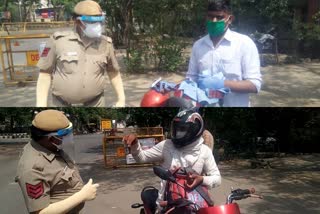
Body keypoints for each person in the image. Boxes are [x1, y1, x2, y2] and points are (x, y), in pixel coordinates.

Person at [123, 109, 221, 210]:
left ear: (194, 130)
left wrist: (202, 179)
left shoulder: (204, 151)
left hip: (194, 204)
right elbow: (141, 158)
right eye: (176, 129)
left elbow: (217, 179)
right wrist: (135, 144)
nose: (178, 133)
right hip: (167, 203)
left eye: (182, 129)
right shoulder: (167, 145)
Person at [36, 0, 125, 107]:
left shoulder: (106, 43)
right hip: (61, 103)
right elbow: (45, 73)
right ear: (77, 21)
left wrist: (121, 99)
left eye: (99, 21)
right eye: (91, 22)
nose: (97, 25)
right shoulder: (56, 40)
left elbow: (113, 73)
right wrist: (41, 104)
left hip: (96, 103)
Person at [16, 109, 99, 214]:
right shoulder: (32, 168)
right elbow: (40, 212)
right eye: (65, 134)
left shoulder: (51, 147)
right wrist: (82, 196)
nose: (69, 137)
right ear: (50, 139)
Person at [186, 0, 262, 107]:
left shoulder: (244, 44)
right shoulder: (198, 46)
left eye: (219, 17)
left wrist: (222, 84)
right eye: (210, 16)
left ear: (229, 19)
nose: (214, 20)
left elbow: (255, 85)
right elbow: (191, 79)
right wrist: (172, 87)